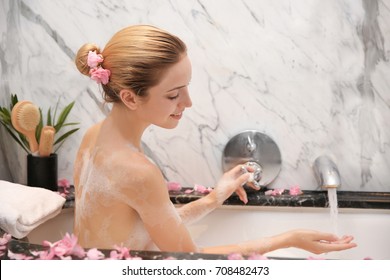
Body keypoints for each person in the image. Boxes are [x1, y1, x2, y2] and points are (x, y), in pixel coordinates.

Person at [73, 25, 357, 255]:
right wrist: (288, 239)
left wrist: (214, 198)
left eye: (186, 88)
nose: (188, 102)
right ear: (130, 97)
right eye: (174, 94)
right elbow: (192, 259)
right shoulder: (138, 171)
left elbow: (141, 226)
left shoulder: (94, 136)